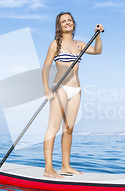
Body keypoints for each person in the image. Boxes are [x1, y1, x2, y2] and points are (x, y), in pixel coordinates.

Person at [42, 12, 103, 178]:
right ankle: (48, 169)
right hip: (60, 88)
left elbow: (98, 51)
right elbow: (46, 68)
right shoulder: (55, 44)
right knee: (53, 128)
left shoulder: (79, 44)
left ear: (73, 23)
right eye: (63, 21)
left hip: (76, 90)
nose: (67, 23)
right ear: (59, 25)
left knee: (68, 129)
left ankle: (66, 166)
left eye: (69, 20)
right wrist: (47, 88)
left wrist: (97, 34)